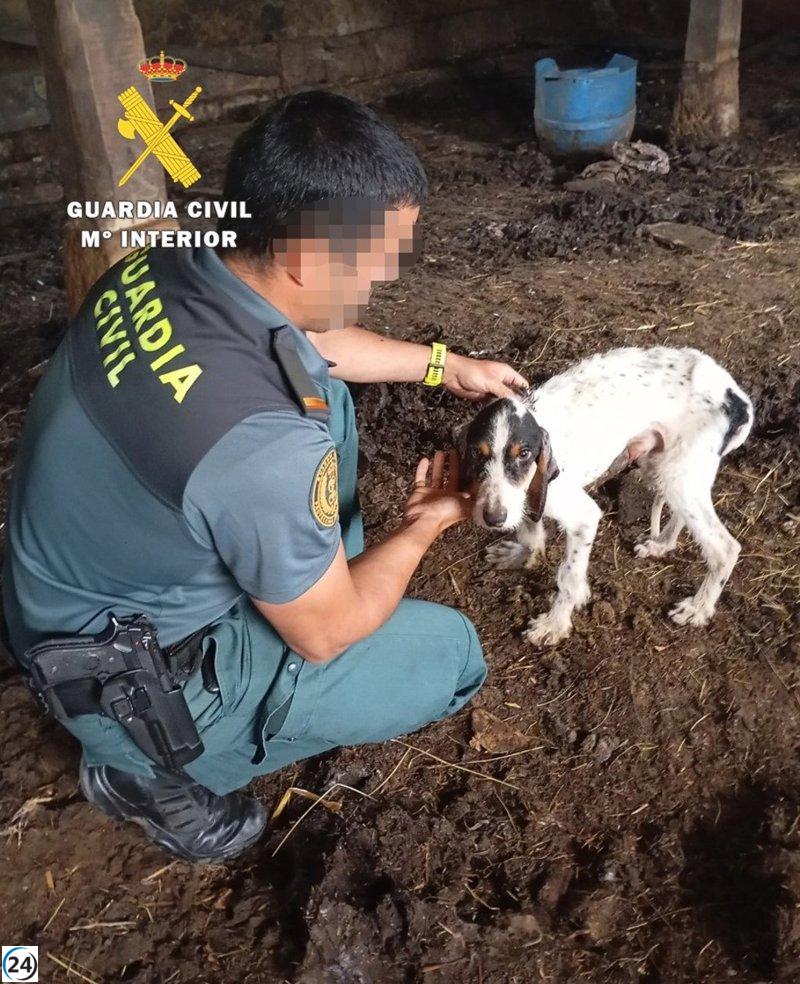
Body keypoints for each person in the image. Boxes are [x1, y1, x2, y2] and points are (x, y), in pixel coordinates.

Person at [1, 91, 527, 862]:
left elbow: (309, 345)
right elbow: (327, 634)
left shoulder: (168, 265)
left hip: (67, 585)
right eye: (380, 255)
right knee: (452, 657)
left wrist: (445, 367)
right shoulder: (257, 447)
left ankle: (302, 571)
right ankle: (144, 773)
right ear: (308, 255)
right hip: (129, 677)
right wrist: (424, 526)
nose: (387, 275)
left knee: (331, 404)